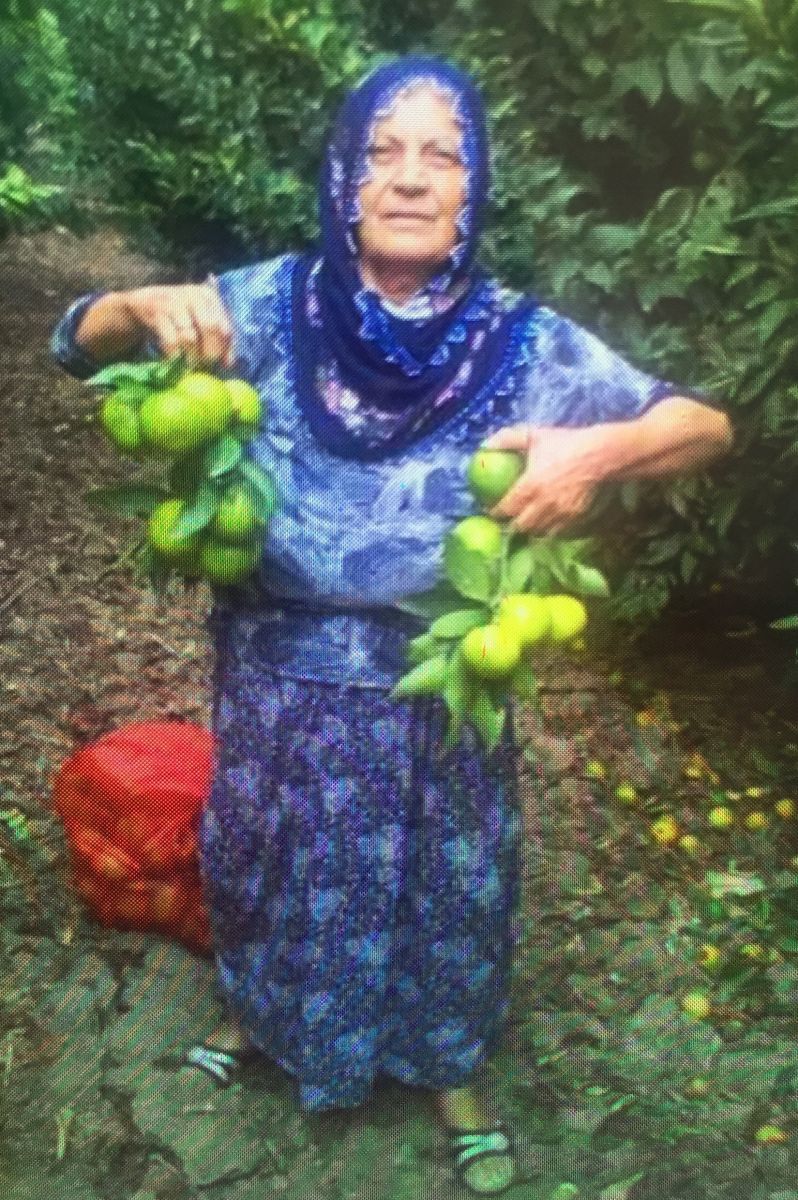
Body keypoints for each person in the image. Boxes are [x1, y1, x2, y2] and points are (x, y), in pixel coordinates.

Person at [51, 55, 733, 1197]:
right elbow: (75, 345)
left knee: (450, 877)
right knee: (268, 855)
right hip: (277, 675)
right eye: (384, 151)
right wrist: (129, 306)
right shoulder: (264, 305)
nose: (412, 179)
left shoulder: (523, 339)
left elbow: (705, 424)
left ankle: (449, 1066)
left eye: (445, 154)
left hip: (442, 677)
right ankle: (265, 1023)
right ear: (342, 178)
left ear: (475, 187)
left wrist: (596, 448)